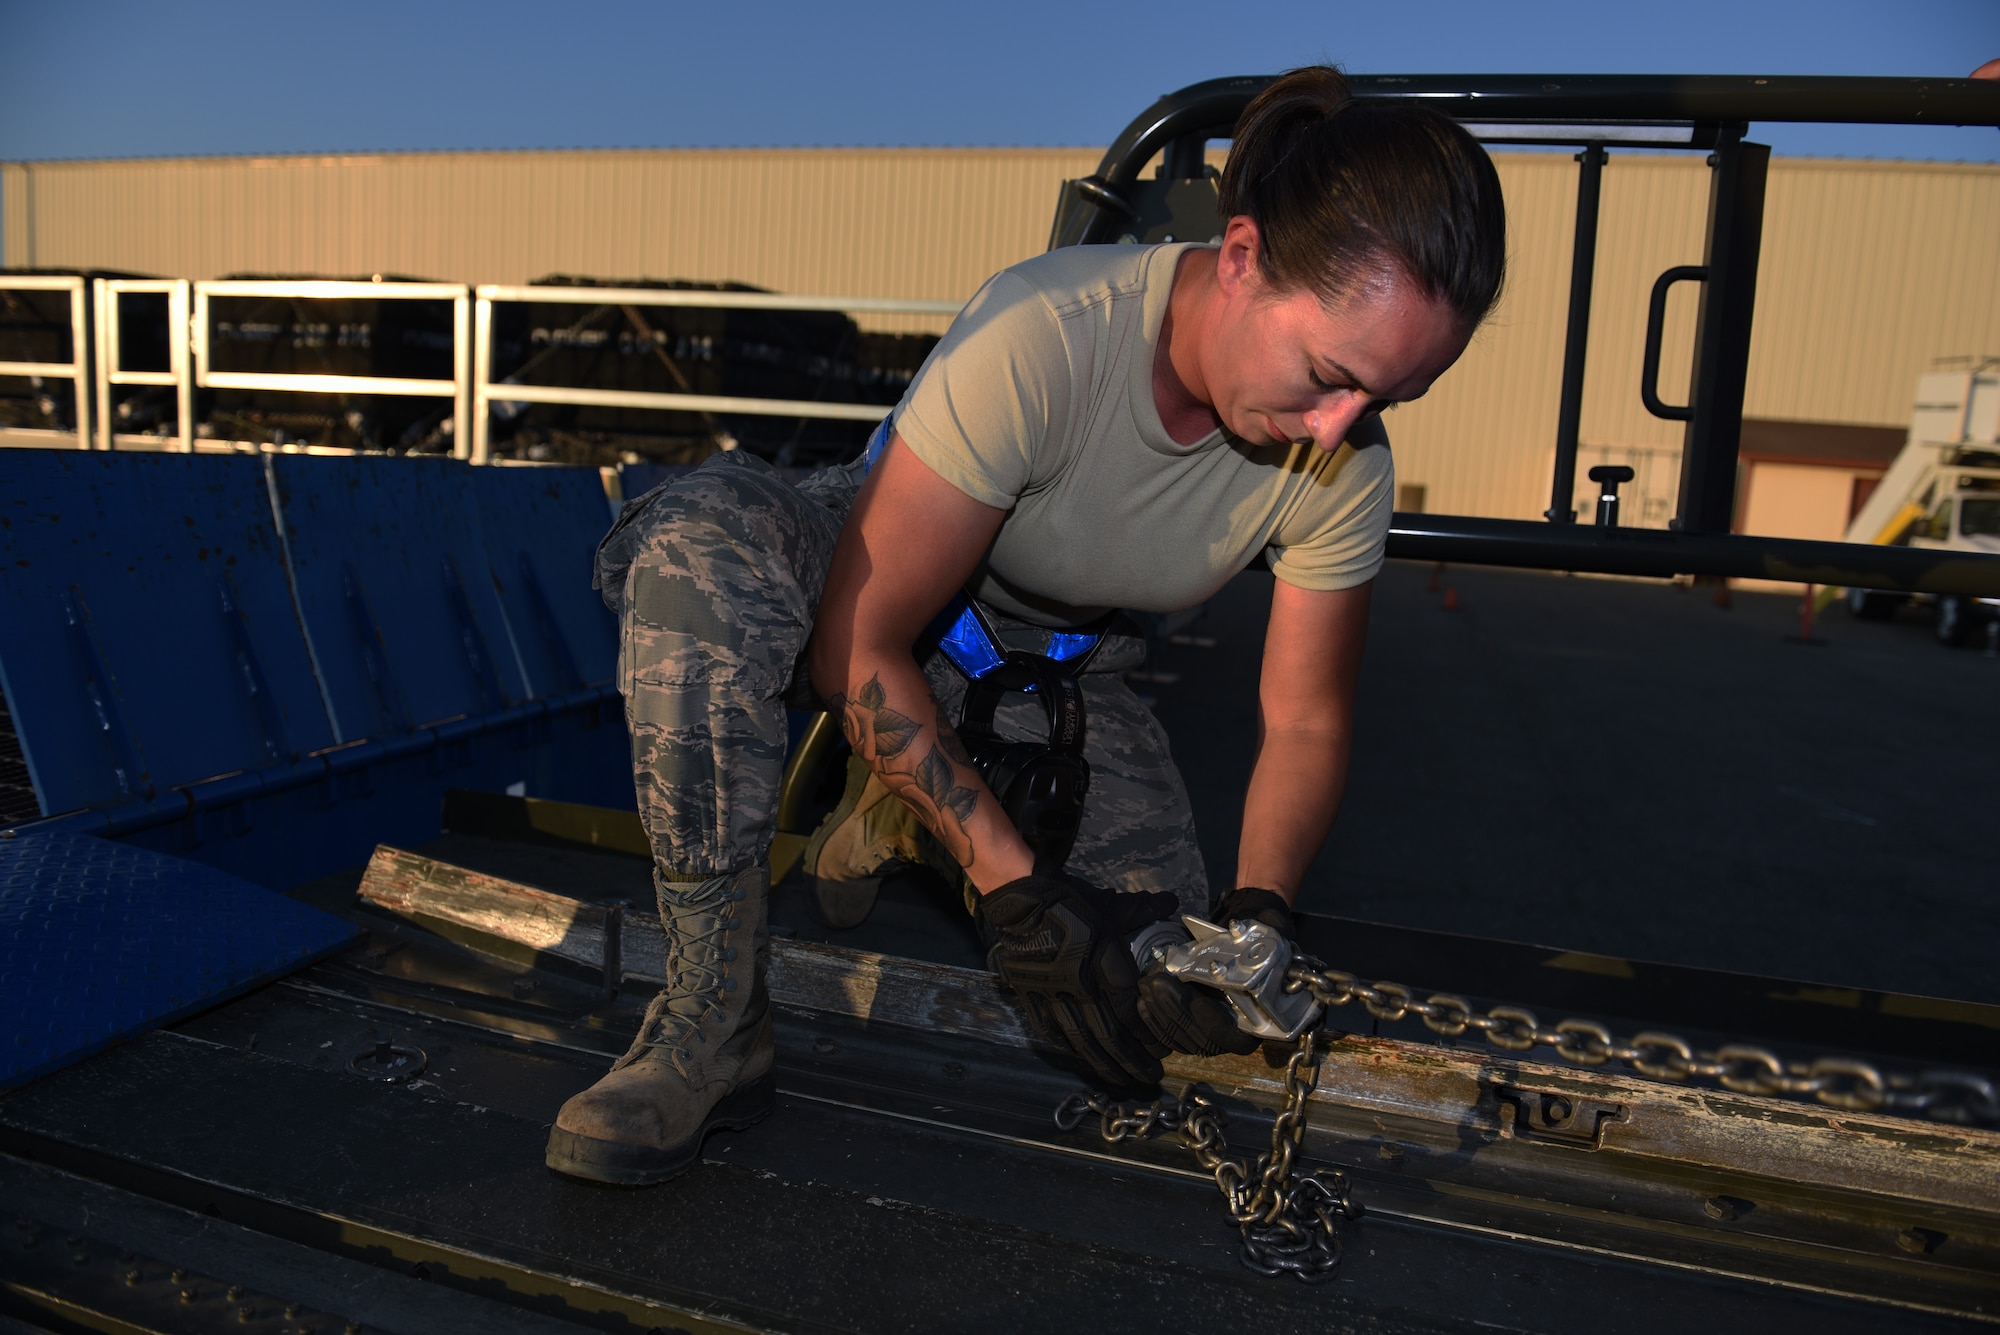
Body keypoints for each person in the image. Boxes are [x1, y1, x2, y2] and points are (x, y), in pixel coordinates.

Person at [545, 66, 1507, 1186]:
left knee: (1151, 993)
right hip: (872, 599)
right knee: (701, 560)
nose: (1340, 426)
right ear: (1240, 257)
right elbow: (858, 643)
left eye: (1384, 401)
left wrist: (1257, 919)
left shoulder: (1343, 466)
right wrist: (1012, 890)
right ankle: (711, 1022)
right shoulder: (1047, 336)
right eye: (1328, 376)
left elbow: (1302, 723)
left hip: (1056, 674)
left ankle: (905, 822)